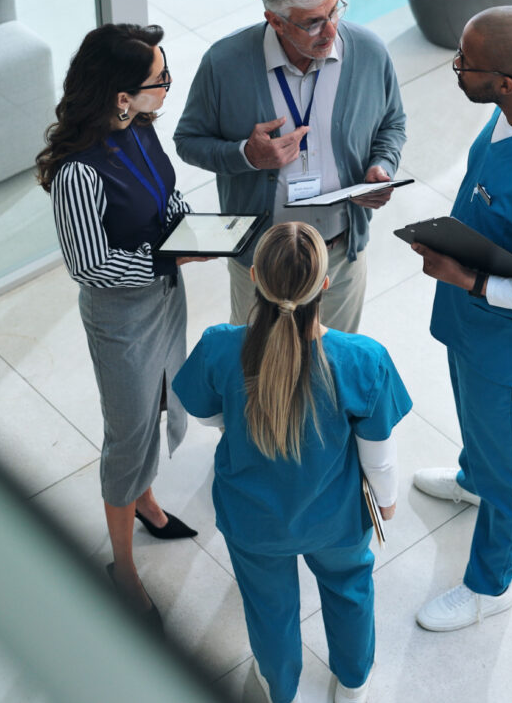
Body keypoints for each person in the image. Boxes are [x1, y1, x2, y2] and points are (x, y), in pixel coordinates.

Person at [173, 221, 412, 703]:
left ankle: (280, 687)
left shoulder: (219, 346)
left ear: (255, 277)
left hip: (253, 520)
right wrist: (385, 503)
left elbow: (205, 414)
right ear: (325, 284)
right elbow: (379, 457)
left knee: (269, 607)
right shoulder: (364, 359)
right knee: (349, 590)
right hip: (337, 520)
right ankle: (353, 683)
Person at [36, 23, 207, 625]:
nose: (168, 85)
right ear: (121, 95)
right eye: (159, 78)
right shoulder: (77, 173)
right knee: (128, 434)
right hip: (123, 317)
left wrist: (194, 229)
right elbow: (90, 266)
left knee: (158, 400)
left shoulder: (140, 128)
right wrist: (167, 257)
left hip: (164, 296)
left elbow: (166, 197)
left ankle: (146, 502)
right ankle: (124, 568)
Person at [174, 0, 406, 331]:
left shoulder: (368, 52)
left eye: (334, 10)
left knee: (333, 360)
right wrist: (246, 155)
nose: (330, 31)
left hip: (339, 258)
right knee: (256, 360)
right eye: (313, 23)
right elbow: (188, 140)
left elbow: (392, 123)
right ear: (275, 21)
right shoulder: (223, 64)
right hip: (260, 261)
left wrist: (382, 165)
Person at [411, 6, 512, 632]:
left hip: (507, 347)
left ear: (506, 83)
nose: (456, 67)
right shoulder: (510, 113)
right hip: (470, 321)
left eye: (466, 63)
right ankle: (472, 479)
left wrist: (472, 281)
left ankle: (491, 587)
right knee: (473, 417)